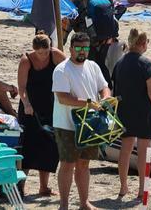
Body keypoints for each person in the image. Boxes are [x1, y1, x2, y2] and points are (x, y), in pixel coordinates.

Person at [53, 32, 111, 210]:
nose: (82, 51)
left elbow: (104, 87)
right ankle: (64, 205)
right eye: (78, 48)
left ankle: (84, 202)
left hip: (90, 123)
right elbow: (63, 98)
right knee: (67, 164)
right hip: (67, 124)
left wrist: (105, 98)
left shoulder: (93, 66)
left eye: (85, 48)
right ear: (71, 49)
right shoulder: (62, 69)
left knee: (84, 164)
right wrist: (89, 103)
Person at [113, 29, 151, 201]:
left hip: (124, 110)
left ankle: (123, 187)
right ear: (142, 43)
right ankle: (142, 189)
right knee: (144, 152)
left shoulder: (120, 62)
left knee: (125, 150)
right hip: (143, 111)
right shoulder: (144, 63)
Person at [17, 32, 65, 196]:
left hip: (50, 105)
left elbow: (69, 70)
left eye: (45, 52)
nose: (43, 56)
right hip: (30, 107)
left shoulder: (55, 55)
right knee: (27, 147)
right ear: (34, 50)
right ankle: (20, 186)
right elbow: (21, 88)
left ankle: (44, 187)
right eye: (39, 53)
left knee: (48, 145)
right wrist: (27, 104)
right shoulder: (26, 60)